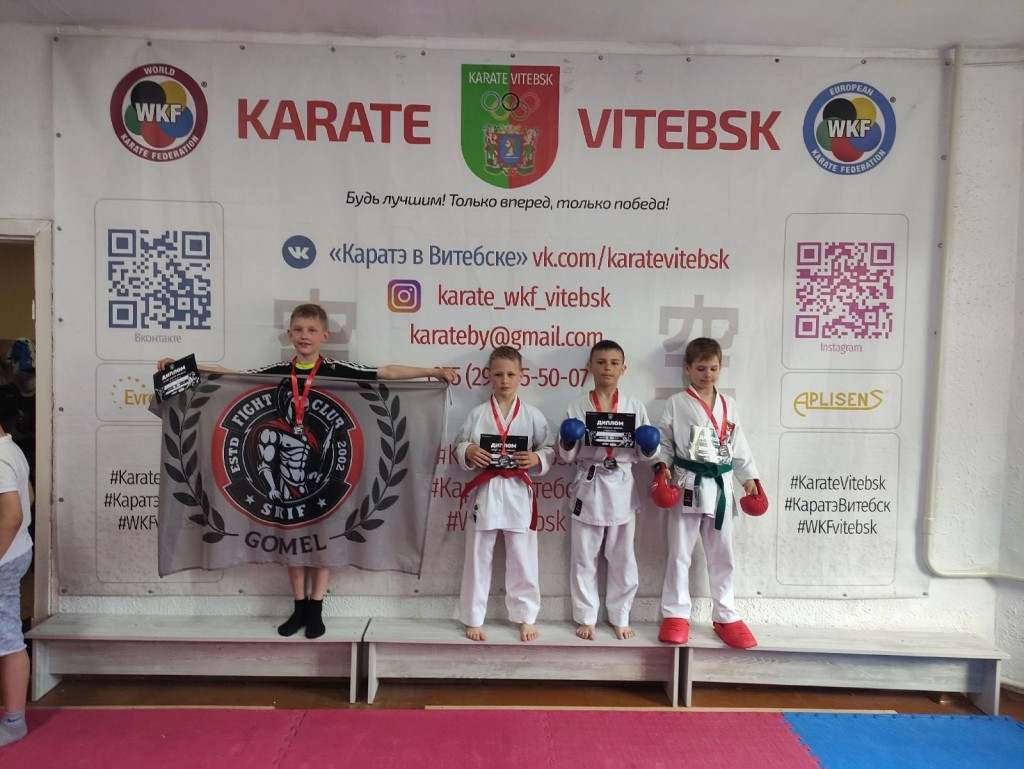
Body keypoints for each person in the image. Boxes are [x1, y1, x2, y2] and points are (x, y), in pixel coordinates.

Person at [158, 303, 454, 639]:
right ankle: (298, 607)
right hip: (285, 471)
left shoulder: (339, 370)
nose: (304, 336)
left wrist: (431, 372)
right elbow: (230, 376)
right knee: (294, 540)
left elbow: (386, 372)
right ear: (289, 334)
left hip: (326, 473)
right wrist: (185, 368)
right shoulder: (277, 371)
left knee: (323, 540)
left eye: (311, 330)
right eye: (298, 330)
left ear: (324, 336)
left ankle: (316, 609)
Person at [652, 337, 762, 649]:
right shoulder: (677, 402)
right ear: (687, 368)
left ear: (720, 368)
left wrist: (749, 478)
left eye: (713, 368)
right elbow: (664, 441)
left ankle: (726, 615)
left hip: (721, 485)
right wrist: (661, 467)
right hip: (687, 483)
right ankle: (675, 614)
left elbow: (738, 445)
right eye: (701, 368)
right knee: (679, 553)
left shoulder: (730, 405)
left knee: (722, 554)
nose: (707, 374)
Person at [556, 340, 660, 640]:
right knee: (583, 557)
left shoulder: (634, 406)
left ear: (623, 369)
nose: (607, 368)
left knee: (623, 557)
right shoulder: (577, 405)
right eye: (600, 362)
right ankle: (586, 616)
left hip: (622, 487)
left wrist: (649, 446)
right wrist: (567, 440)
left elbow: (645, 455)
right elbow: (566, 456)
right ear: (590, 367)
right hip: (589, 484)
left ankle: (620, 615)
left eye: (614, 363)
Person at [456, 346, 554, 642]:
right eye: (498, 374)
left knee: (523, 557)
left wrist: (536, 458)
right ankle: (473, 617)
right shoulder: (477, 414)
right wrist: (468, 451)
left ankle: (525, 616)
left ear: (521, 376)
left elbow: (549, 448)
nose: (504, 380)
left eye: (511, 374)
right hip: (486, 490)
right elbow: (460, 443)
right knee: (478, 556)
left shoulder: (533, 415)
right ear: (489, 375)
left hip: (518, 491)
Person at [0, 419, 33, 747]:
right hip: (17, 551)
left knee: (7, 637)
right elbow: (29, 496)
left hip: (4, 560)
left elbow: (12, 515)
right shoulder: (11, 448)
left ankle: (14, 722)